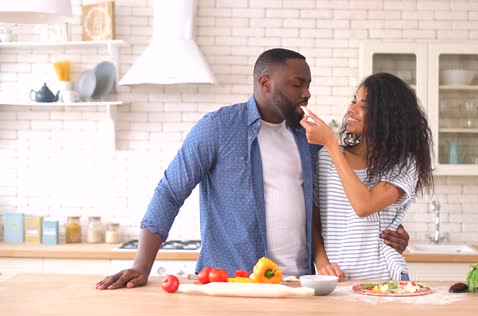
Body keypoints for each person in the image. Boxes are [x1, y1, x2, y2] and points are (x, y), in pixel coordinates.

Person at [96, 49, 410, 290]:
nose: (307, 94)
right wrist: (142, 264)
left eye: (308, 85)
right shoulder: (218, 129)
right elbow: (169, 191)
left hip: (298, 287)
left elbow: (328, 207)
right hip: (233, 284)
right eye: (297, 84)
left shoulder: (310, 138)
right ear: (265, 83)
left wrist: (390, 236)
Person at [300, 72, 433, 281]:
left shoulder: (404, 162)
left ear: (388, 115)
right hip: (338, 281)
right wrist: (323, 264)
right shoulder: (326, 157)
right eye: (354, 101)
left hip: (387, 280)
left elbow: (364, 205)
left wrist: (331, 144)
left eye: (365, 105)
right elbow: (313, 220)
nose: (352, 109)